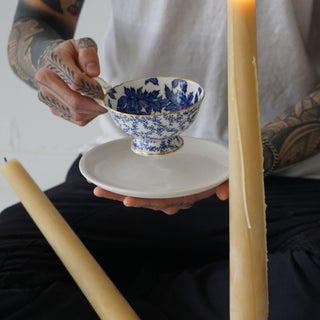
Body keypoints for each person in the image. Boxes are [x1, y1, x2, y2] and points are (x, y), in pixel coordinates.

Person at [1, 0, 319, 319]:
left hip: (283, 182)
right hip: (124, 175)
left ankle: (128, 291)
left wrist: (247, 160)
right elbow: (35, 21)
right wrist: (49, 60)